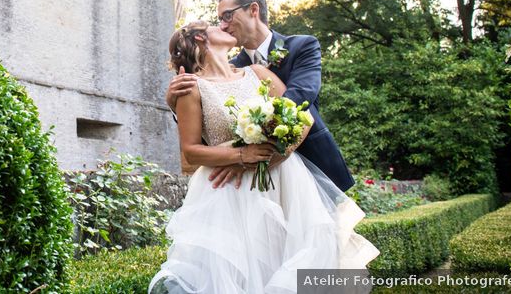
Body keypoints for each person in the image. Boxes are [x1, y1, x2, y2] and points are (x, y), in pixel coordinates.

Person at [149, 21, 378, 293]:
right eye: (214, 24)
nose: (224, 26)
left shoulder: (257, 72)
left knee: (299, 252)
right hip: (230, 192)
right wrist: (242, 154)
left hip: (286, 181)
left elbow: (299, 117)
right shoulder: (190, 88)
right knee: (243, 268)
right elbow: (190, 151)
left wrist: (275, 150)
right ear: (201, 37)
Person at [165, 0, 354, 192]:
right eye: (219, 20)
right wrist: (176, 105)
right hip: (242, 184)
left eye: (227, 16)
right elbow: (208, 132)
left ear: (253, 10)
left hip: (309, 166)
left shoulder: (302, 46)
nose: (223, 25)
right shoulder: (234, 69)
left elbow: (300, 98)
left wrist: (252, 158)